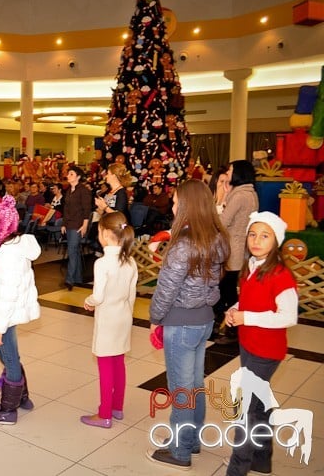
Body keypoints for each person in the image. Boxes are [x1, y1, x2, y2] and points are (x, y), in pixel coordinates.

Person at [146, 179, 230, 470]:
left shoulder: (183, 244)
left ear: (187, 204)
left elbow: (166, 290)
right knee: (194, 384)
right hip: (204, 319)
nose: (172, 205)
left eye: (175, 200)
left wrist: (155, 318)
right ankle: (191, 439)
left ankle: (179, 451)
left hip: (181, 323)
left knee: (181, 388)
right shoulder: (215, 238)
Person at [223, 212, 298, 476]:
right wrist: (234, 311)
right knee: (259, 406)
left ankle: (237, 469)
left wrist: (248, 317)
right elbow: (248, 302)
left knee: (246, 410)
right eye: (252, 234)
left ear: (276, 241)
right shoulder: (251, 266)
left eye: (264, 235)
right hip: (249, 344)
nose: (256, 240)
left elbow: (288, 316)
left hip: (267, 351)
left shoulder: (280, 275)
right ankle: (262, 459)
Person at [0, 195, 41, 425]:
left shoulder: (8, 254)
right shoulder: (9, 246)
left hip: (4, 316)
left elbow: (7, 294)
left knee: (8, 356)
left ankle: (8, 409)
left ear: (1, 225)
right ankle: (22, 397)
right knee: (9, 355)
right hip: (8, 314)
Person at [80, 211, 137, 428]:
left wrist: (89, 301)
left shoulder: (103, 263)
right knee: (119, 364)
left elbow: (99, 296)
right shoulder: (130, 261)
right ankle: (117, 407)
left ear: (104, 233)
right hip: (124, 317)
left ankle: (104, 414)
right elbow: (131, 295)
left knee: (105, 366)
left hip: (107, 321)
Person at [214, 160, 258, 345]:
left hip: (232, 248)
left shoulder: (239, 195)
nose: (228, 171)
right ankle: (229, 327)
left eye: (231, 169)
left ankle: (231, 330)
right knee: (228, 289)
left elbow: (223, 222)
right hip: (239, 248)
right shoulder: (251, 193)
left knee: (226, 290)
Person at [60, 166, 92, 291]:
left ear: (78, 176)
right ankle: (78, 277)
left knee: (72, 251)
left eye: (71, 174)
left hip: (78, 225)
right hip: (69, 224)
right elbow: (66, 209)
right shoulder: (68, 190)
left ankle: (70, 279)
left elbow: (87, 209)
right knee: (75, 251)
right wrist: (63, 224)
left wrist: (85, 224)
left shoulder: (83, 190)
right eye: (68, 174)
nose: (68, 176)